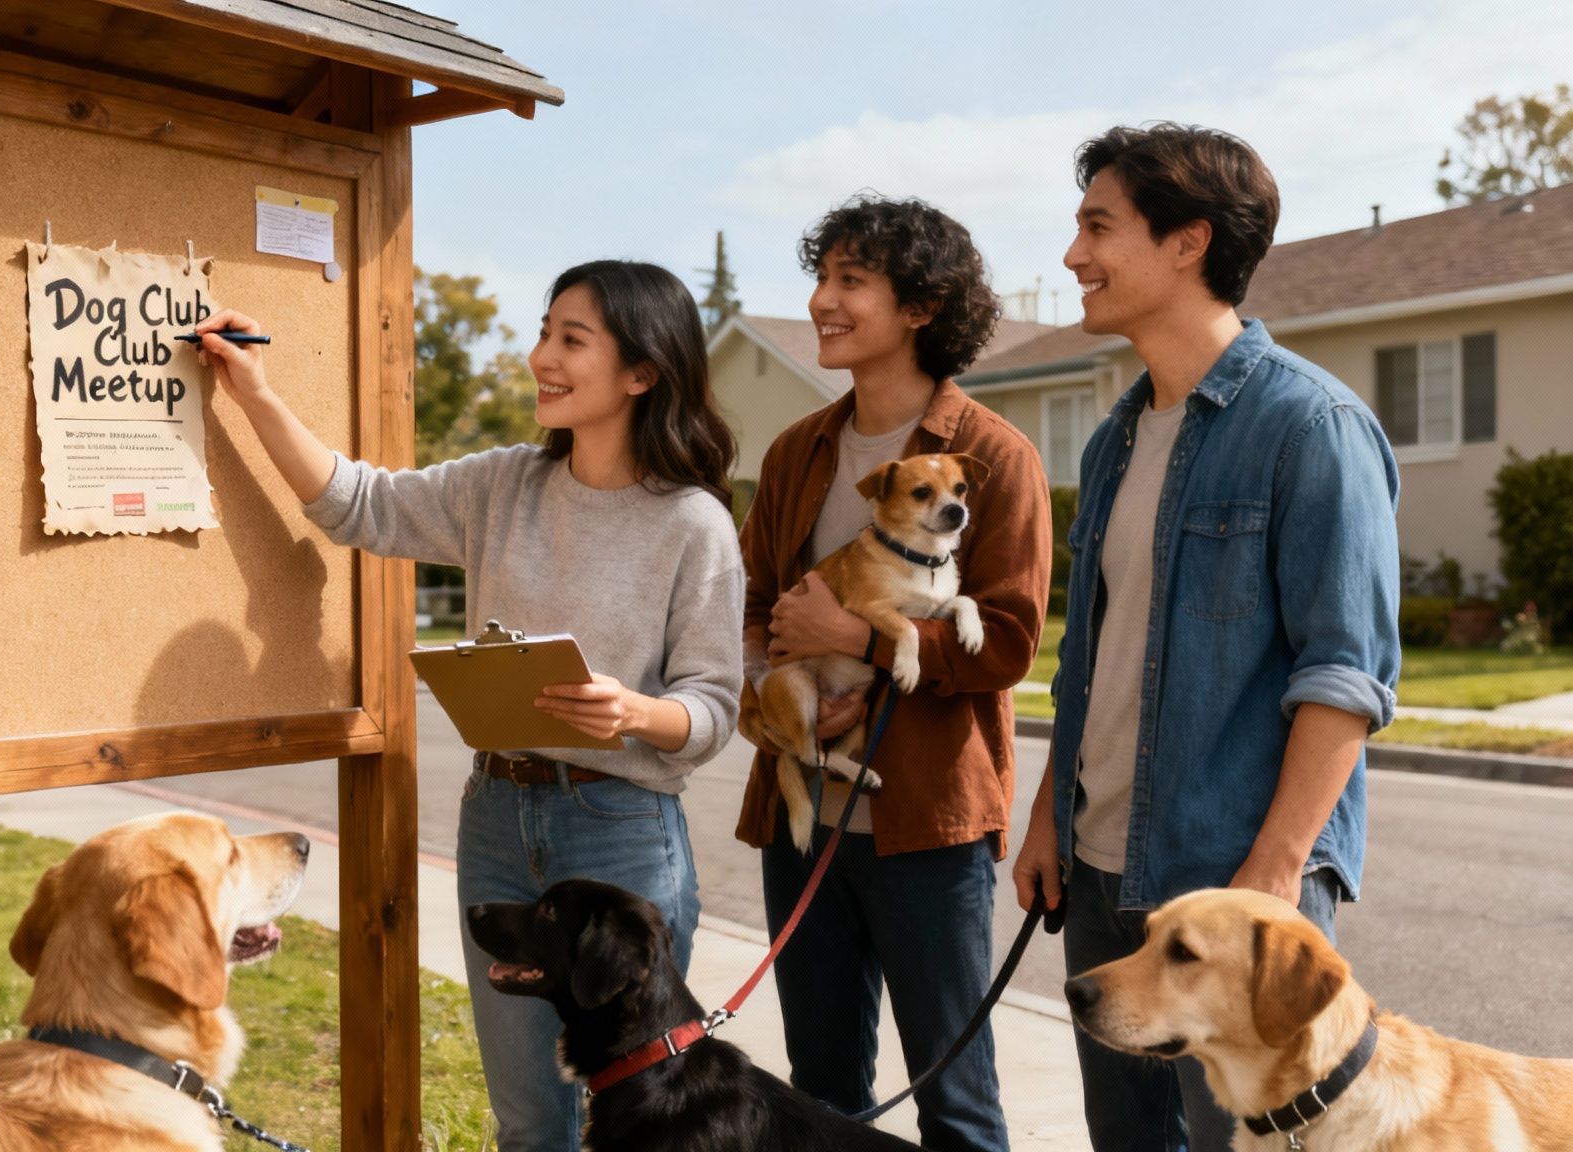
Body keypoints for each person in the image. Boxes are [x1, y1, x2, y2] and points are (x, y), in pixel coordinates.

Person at [191, 260, 744, 1152]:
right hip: (495, 818)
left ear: (643, 372)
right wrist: (252, 389)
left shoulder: (693, 524)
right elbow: (353, 503)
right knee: (528, 1120)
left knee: (649, 1126)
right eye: (544, 332)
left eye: (573, 340)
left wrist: (634, 713)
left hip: (620, 836)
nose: (540, 357)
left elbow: (714, 706)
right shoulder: (504, 486)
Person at [1011, 123, 1402, 1152]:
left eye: (1097, 227)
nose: (1071, 256)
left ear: (1185, 243)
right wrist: (1051, 814)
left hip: (1232, 887)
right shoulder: (1113, 440)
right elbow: (1089, 662)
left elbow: (1344, 677)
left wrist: (1271, 879)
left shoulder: (1309, 427)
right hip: (1097, 878)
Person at [733, 195, 1051, 1152]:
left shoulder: (992, 457)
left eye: (850, 281)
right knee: (820, 1094)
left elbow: (1007, 643)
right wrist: (770, 701)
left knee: (955, 1102)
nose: (823, 300)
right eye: (822, 278)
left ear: (921, 306)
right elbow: (751, 606)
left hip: (928, 829)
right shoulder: (798, 452)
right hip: (803, 827)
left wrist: (864, 640)